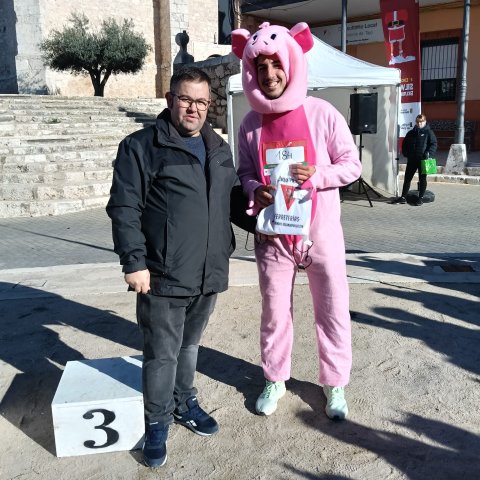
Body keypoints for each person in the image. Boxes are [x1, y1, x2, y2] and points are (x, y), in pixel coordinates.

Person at [106, 67, 238, 468]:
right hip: (162, 274)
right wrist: (134, 262)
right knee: (161, 355)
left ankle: (183, 403)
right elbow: (124, 207)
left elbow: (232, 203)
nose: (193, 108)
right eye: (185, 99)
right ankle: (157, 422)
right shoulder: (141, 147)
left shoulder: (219, 149)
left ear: (209, 105)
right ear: (169, 99)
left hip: (208, 273)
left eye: (201, 102)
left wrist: (265, 204)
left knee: (190, 346)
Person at [231, 22, 362, 420]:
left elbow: (351, 165)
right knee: (274, 313)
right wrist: (255, 189)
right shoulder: (250, 124)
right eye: (261, 67)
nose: (269, 75)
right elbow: (245, 173)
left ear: (291, 64)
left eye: (276, 65)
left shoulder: (322, 113)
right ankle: (275, 378)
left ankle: (335, 383)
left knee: (333, 309)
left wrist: (318, 174)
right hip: (273, 238)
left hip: (321, 235)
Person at [395, 113, 437, 206]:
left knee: (422, 179)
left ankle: (420, 198)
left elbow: (433, 144)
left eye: (421, 122)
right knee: (407, 178)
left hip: (423, 160)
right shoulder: (411, 133)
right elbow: (404, 144)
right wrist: (406, 153)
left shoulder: (429, 132)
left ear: (425, 121)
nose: (419, 124)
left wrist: (428, 153)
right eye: (418, 122)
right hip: (412, 160)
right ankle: (403, 197)